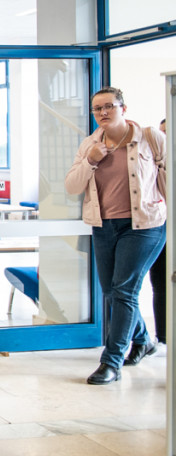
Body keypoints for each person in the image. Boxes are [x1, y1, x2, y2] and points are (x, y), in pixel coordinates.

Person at [65, 87, 167, 385]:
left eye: (109, 106)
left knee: (124, 290)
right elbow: (72, 187)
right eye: (97, 109)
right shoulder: (89, 145)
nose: (103, 113)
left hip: (144, 226)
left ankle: (111, 362)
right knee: (110, 291)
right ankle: (143, 339)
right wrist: (91, 161)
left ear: (123, 107)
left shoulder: (150, 138)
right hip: (104, 225)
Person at [148, 118, 168, 345]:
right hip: (159, 226)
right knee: (160, 282)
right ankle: (163, 336)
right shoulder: (156, 159)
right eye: (161, 132)